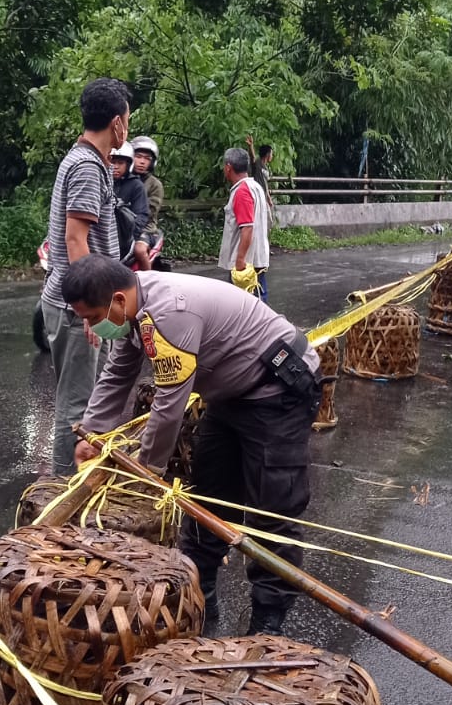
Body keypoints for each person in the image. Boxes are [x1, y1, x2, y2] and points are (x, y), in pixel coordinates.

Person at [66, 256, 321, 634]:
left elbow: (169, 404)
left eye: (91, 317)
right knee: (210, 496)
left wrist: (146, 473)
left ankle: (268, 620)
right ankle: (201, 598)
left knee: (273, 509)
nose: (90, 326)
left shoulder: (170, 312)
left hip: (277, 388)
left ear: (118, 300)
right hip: (232, 395)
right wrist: (93, 433)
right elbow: (118, 373)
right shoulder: (135, 313)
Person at [42, 77, 130, 474]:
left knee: (92, 397)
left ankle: (80, 479)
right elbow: (75, 241)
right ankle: (62, 489)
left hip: (87, 303)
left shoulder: (88, 162)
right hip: (78, 305)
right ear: (116, 122)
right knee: (78, 405)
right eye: (127, 118)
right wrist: (90, 311)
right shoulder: (86, 168)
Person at [220, 146, 270, 302]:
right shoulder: (256, 187)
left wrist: (240, 260)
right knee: (258, 302)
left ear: (228, 167)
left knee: (246, 307)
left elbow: (247, 228)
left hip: (246, 263)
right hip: (258, 257)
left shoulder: (242, 191)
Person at [110, 142, 151, 270]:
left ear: (128, 165)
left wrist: (129, 234)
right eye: (112, 162)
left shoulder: (136, 185)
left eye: (120, 163)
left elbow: (142, 215)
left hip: (129, 234)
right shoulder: (102, 181)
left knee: (139, 250)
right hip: (107, 232)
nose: (115, 167)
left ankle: (148, 283)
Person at [132, 135, 164, 250]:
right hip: (121, 228)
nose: (142, 162)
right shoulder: (122, 179)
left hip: (146, 228)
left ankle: (147, 269)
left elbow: (150, 211)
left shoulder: (155, 184)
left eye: (147, 158)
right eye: (138, 157)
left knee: (139, 250)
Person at [246, 134, 274, 216]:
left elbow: (265, 184)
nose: (272, 156)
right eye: (271, 154)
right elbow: (252, 157)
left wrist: (269, 199)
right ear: (267, 154)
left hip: (263, 197)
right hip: (256, 196)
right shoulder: (257, 163)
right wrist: (251, 146)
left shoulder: (266, 168)